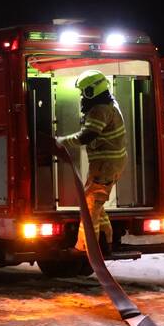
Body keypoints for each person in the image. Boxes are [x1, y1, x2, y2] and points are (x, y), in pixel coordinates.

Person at [56, 70, 127, 254]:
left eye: (84, 91)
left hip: (105, 166)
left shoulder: (99, 110)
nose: (82, 95)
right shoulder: (109, 103)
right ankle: (107, 242)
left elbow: (86, 136)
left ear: (92, 90)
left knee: (89, 208)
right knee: (97, 204)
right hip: (108, 165)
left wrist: (61, 141)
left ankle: (86, 248)